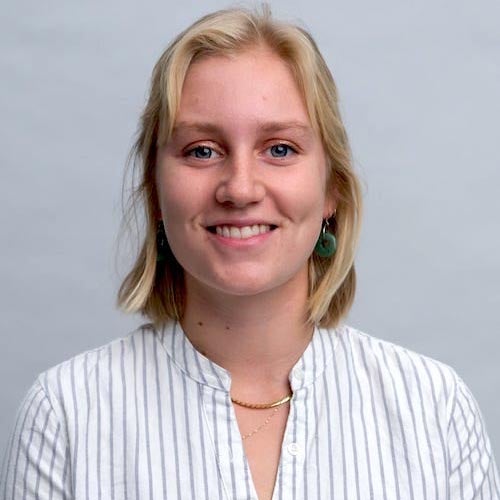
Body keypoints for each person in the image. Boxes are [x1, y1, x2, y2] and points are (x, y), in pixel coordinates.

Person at [1, 6, 498, 500]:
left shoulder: (434, 410)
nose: (240, 189)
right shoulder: (67, 415)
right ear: (156, 191)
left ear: (332, 189)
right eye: (202, 150)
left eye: (279, 149)